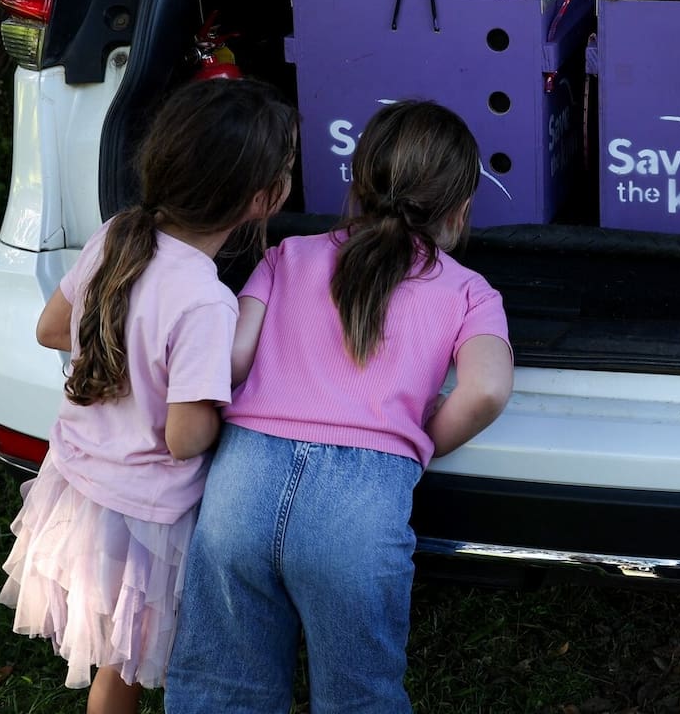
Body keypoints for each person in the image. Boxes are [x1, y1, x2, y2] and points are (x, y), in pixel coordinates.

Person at [165, 100, 515, 713]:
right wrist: (417, 436)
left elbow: (235, 359)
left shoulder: (287, 256)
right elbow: (486, 389)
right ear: (461, 207)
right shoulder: (469, 292)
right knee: (359, 696)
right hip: (361, 501)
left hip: (243, 485)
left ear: (356, 183)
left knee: (223, 686)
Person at [0, 78, 299, 714]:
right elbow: (184, 436)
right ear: (263, 199)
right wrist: (234, 409)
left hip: (78, 481)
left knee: (114, 658)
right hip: (141, 515)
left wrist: (119, 363)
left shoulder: (115, 236)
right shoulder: (206, 301)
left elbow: (52, 328)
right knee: (123, 665)